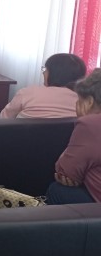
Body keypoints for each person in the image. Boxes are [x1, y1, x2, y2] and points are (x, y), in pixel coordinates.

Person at [46, 68, 101, 205]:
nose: (76, 105)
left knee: (57, 190)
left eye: (79, 100)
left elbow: (65, 172)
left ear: (89, 102)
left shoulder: (90, 124)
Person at [0, 53, 86, 119]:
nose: (43, 73)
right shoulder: (85, 102)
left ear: (54, 73)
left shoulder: (28, 93)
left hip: (17, 145)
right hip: (62, 148)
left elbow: (2, 121)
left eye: (45, 69)